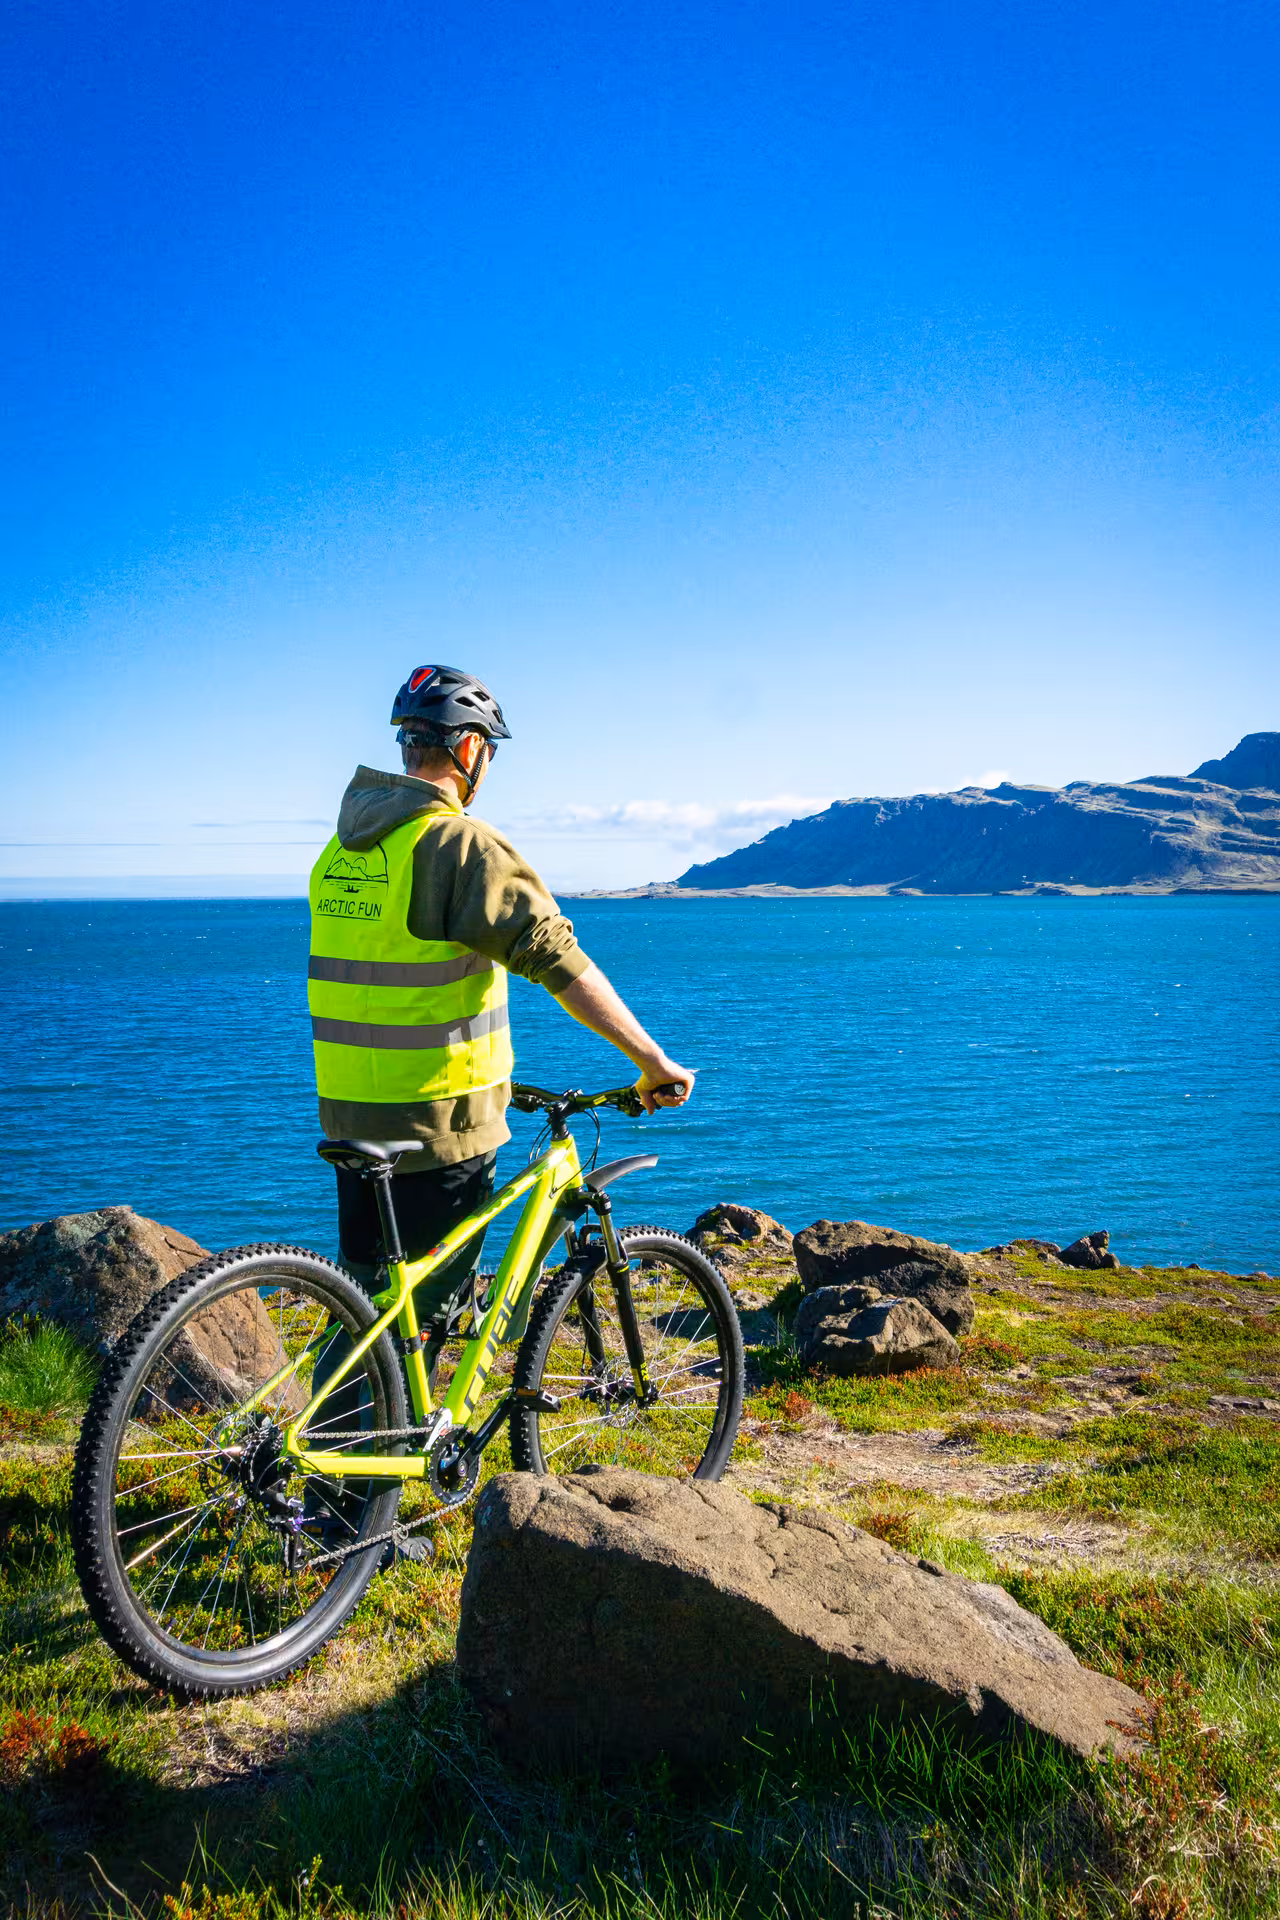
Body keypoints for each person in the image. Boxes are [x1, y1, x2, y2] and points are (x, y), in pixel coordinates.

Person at [308, 663, 695, 1319]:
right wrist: (651, 1061)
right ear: (468, 748)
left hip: (353, 1114)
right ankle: (383, 1422)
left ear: (409, 742)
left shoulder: (347, 852)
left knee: (369, 1314)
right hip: (438, 1127)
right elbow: (557, 959)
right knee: (419, 1327)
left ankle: (327, 1421)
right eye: (485, 748)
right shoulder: (459, 845)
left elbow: (386, 984)